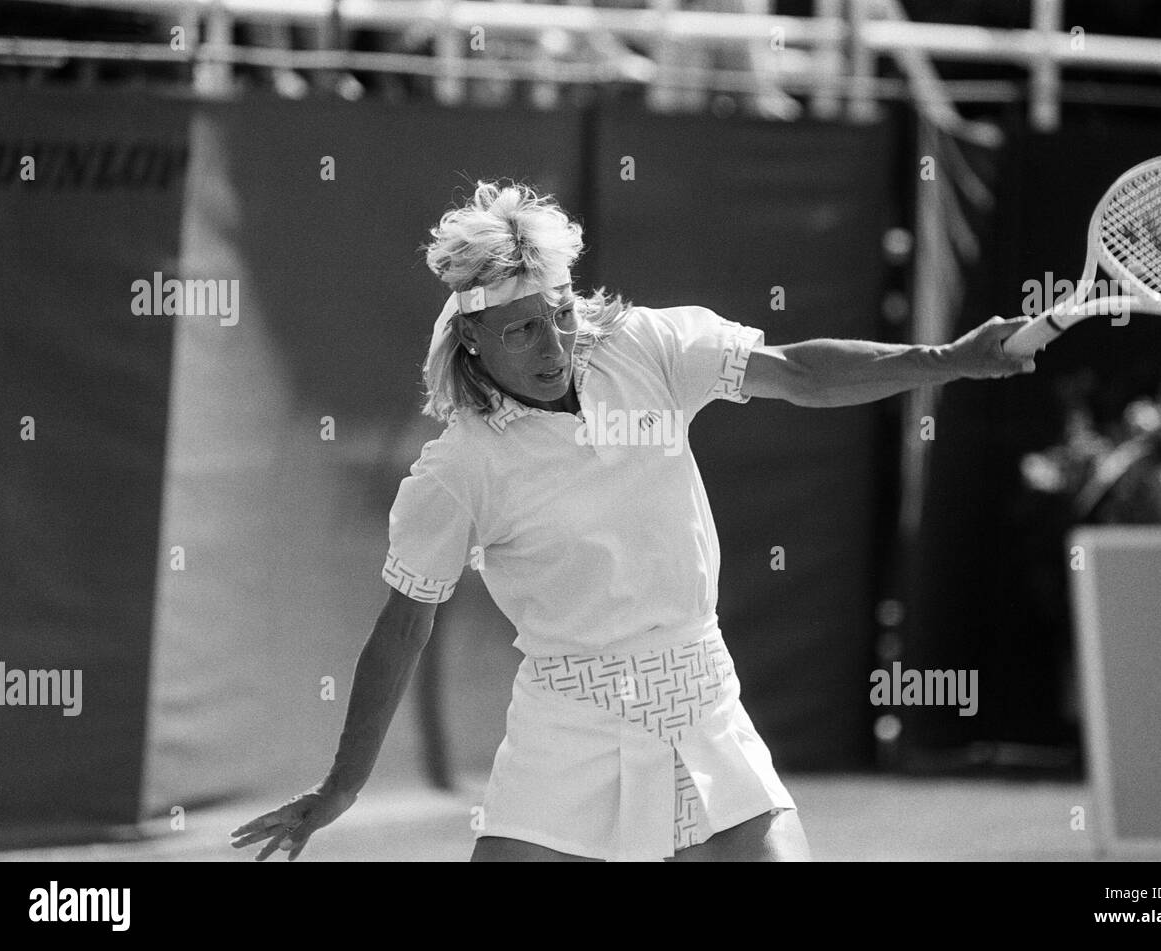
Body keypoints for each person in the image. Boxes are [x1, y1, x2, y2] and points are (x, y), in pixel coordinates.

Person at [230, 179, 1034, 863]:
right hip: (566, 719)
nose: (554, 344)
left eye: (559, 315)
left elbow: (799, 375)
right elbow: (402, 630)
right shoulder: (458, 469)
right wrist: (343, 785)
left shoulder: (648, 345)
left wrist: (948, 358)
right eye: (521, 329)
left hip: (701, 694)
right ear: (470, 339)